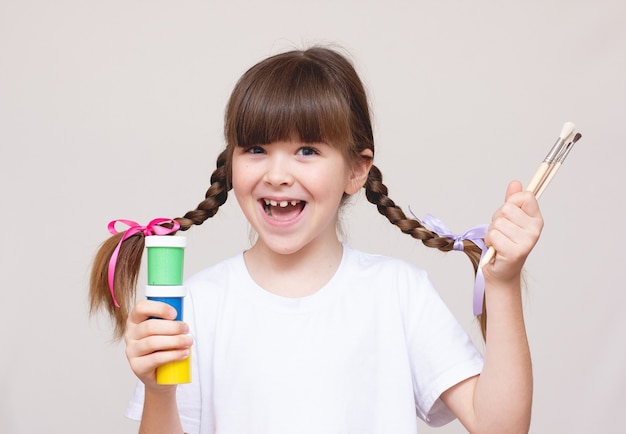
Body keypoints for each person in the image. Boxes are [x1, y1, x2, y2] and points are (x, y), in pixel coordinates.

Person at [89, 46, 542, 434]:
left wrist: (502, 284)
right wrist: (158, 390)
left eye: (307, 150)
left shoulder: (398, 293)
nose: (278, 174)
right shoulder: (199, 306)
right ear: (230, 163)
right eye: (256, 149)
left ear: (356, 170)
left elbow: (499, 425)